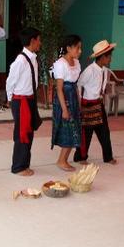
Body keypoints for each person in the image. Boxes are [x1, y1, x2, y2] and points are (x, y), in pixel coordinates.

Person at [74, 39, 117, 165]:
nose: (110, 59)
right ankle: (81, 157)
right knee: (86, 133)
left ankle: (108, 157)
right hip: (87, 105)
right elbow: (79, 84)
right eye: (109, 57)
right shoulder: (90, 70)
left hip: (99, 104)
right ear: (102, 57)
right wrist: (80, 102)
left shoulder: (104, 70)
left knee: (104, 131)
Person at [6, 27, 42, 176]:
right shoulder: (20, 61)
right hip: (21, 102)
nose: (40, 43)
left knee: (29, 132)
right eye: (39, 40)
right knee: (22, 134)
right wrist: (10, 100)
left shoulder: (33, 59)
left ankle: (25, 163)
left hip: (30, 99)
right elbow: (10, 82)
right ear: (32, 41)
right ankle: (18, 167)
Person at [51, 35, 82, 171]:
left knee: (74, 129)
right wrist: (64, 109)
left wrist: (79, 101)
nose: (80, 51)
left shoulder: (77, 63)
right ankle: (61, 160)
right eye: (77, 48)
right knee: (67, 130)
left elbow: (76, 85)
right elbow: (59, 89)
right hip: (64, 99)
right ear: (68, 48)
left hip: (73, 97)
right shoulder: (60, 64)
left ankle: (64, 159)